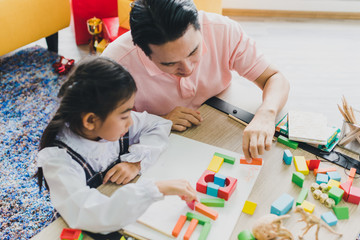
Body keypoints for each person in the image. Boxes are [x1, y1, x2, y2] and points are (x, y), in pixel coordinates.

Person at [102, 0, 290, 161]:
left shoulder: (223, 29)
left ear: (199, 26)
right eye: (170, 63)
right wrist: (160, 120)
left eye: (193, 52)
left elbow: (275, 77)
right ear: (142, 50)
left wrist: (266, 114)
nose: (188, 69)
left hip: (221, 120)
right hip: (162, 146)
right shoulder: (116, 62)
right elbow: (103, 127)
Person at [36, 57, 197, 233]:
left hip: (122, 210)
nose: (130, 121)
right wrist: (155, 189)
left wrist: (135, 163)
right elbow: (93, 215)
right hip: (82, 229)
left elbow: (158, 124)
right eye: (124, 115)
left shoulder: (113, 124)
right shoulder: (58, 161)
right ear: (91, 120)